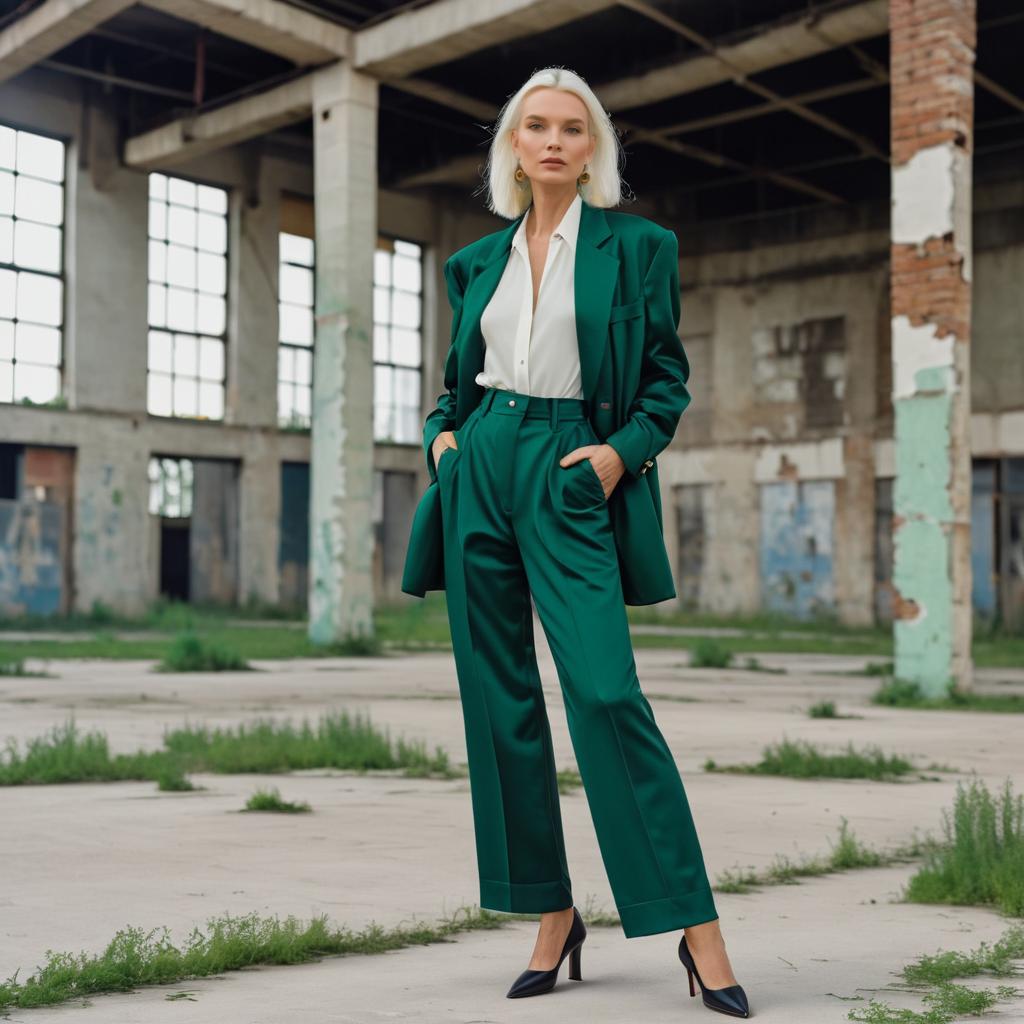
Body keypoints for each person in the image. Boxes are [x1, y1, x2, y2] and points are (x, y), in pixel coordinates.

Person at [405, 66, 750, 1018]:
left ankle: (694, 925)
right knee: (499, 699)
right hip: (480, 466)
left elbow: (666, 383)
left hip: (570, 465)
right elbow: (454, 380)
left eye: (570, 127)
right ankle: (551, 915)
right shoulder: (474, 263)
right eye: (534, 127)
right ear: (513, 148)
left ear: (591, 147)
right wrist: (443, 438)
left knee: (604, 691)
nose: (552, 141)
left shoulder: (639, 249)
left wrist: (616, 457)